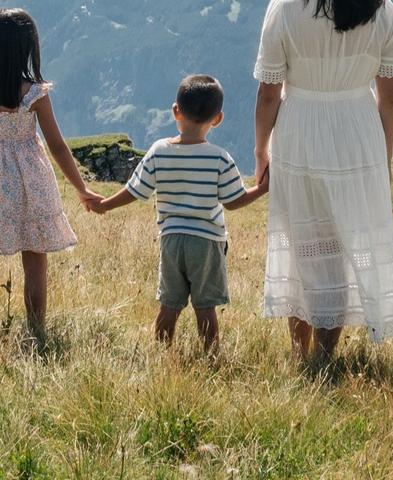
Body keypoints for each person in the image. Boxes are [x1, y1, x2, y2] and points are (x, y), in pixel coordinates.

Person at [253, 0, 393, 358]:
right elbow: (389, 98)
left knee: (303, 241)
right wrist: (384, 157)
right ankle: (325, 354)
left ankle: (301, 353)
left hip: (300, 128)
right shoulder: (381, 10)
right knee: (341, 243)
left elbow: (268, 93)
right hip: (358, 131)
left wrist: (261, 150)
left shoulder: (285, 9)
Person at [0, 9, 98, 335]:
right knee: (35, 258)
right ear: (28, 48)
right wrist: (81, 188)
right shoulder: (34, 93)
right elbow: (57, 147)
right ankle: (36, 329)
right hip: (30, 182)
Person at [86, 74, 266, 352]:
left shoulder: (159, 150)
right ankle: (210, 356)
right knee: (205, 308)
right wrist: (264, 188)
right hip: (206, 242)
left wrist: (105, 204)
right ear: (218, 119)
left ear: (175, 111)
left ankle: (161, 352)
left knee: (169, 305)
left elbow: (135, 190)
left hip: (170, 240)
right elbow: (234, 201)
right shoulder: (220, 157)